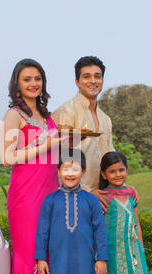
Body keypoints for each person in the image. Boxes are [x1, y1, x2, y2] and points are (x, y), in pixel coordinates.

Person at [0, 58, 64, 274]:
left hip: (51, 191)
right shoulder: (14, 115)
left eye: (37, 78)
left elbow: (54, 154)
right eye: (27, 79)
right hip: (26, 196)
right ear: (17, 83)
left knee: (48, 252)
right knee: (30, 254)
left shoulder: (46, 115)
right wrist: (44, 145)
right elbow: (7, 157)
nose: (33, 83)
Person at [35, 149, 108, 274]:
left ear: (84, 172)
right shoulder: (50, 201)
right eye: (66, 168)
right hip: (59, 264)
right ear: (58, 171)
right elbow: (42, 232)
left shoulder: (91, 201)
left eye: (75, 169)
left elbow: (100, 231)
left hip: (85, 264)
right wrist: (41, 259)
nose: (70, 174)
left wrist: (101, 259)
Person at [52, 56, 116, 210]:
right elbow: (62, 159)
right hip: (74, 197)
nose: (93, 81)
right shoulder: (67, 112)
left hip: (102, 198)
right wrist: (87, 192)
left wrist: (122, 188)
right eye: (86, 76)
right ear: (77, 82)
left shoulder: (105, 119)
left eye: (97, 76)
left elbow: (111, 157)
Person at [98, 151, 152, 274]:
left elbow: (137, 224)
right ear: (104, 174)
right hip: (111, 251)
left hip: (130, 248)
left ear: (127, 170)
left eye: (121, 170)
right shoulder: (103, 196)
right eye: (112, 171)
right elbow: (98, 228)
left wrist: (140, 248)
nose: (118, 174)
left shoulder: (131, 194)